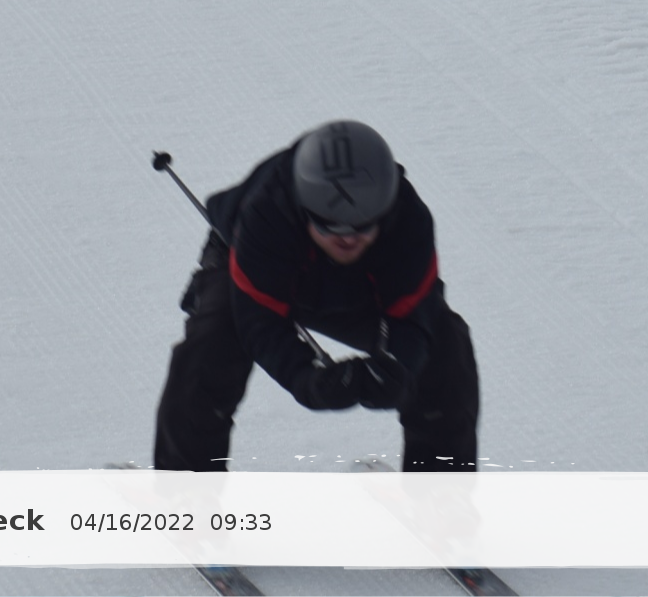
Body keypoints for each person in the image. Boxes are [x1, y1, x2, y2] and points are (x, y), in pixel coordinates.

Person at [153, 120, 479, 472]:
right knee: (210, 346)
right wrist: (305, 379)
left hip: (357, 285)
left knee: (445, 345)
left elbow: (413, 313)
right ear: (304, 208)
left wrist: (398, 367)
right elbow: (261, 323)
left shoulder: (408, 221)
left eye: (363, 225)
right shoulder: (267, 213)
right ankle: (186, 488)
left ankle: (438, 491)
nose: (348, 238)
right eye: (329, 224)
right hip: (253, 263)